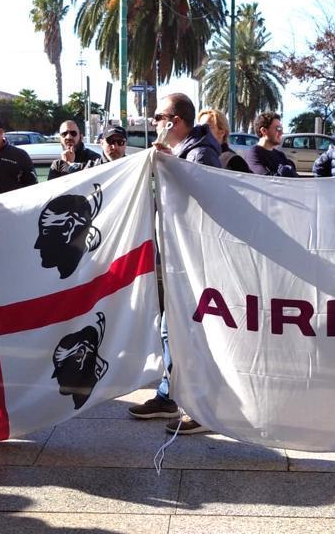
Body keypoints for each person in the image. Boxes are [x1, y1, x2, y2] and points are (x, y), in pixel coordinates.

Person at [129, 92, 220, 435]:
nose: (154, 123)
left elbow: (205, 200)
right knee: (172, 330)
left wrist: (170, 165)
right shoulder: (186, 151)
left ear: (174, 122)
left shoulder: (200, 153)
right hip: (182, 257)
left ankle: (204, 408)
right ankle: (169, 396)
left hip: (197, 259)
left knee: (192, 333)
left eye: (158, 117)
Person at [49, 124, 130, 177]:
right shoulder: (90, 168)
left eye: (120, 142)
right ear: (101, 143)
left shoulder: (134, 168)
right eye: (110, 141)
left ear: (126, 144)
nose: (115, 147)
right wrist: (67, 165)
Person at [246, 111, 296, 177]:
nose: (281, 132)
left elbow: (296, 179)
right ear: (264, 131)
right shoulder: (254, 154)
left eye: (281, 129)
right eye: (278, 128)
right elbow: (266, 179)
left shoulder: (280, 155)